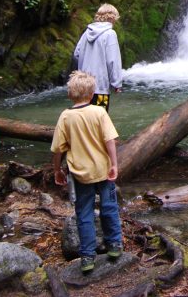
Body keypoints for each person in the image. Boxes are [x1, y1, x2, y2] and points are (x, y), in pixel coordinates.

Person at [51, 70, 122, 275]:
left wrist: (57, 170)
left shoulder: (66, 116)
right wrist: (114, 164)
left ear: (70, 95)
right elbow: (110, 140)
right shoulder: (99, 112)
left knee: (84, 213)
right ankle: (115, 244)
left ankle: (88, 256)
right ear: (92, 95)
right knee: (109, 207)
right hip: (103, 171)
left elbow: (58, 149)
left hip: (80, 174)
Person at [71, 4, 123, 111]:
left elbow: (76, 54)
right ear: (112, 17)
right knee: (100, 118)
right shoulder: (110, 34)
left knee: (84, 118)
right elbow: (113, 60)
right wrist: (117, 83)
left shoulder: (87, 32)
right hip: (100, 87)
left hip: (83, 86)